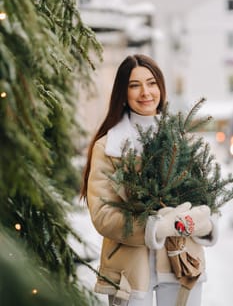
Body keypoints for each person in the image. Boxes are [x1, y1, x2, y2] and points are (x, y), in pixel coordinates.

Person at [81, 54, 218, 306]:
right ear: (123, 92)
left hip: (183, 262)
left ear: (161, 87)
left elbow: (207, 197)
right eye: (134, 85)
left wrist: (201, 221)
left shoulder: (183, 141)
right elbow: (102, 214)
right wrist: (152, 229)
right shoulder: (108, 147)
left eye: (152, 82)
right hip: (128, 270)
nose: (145, 92)